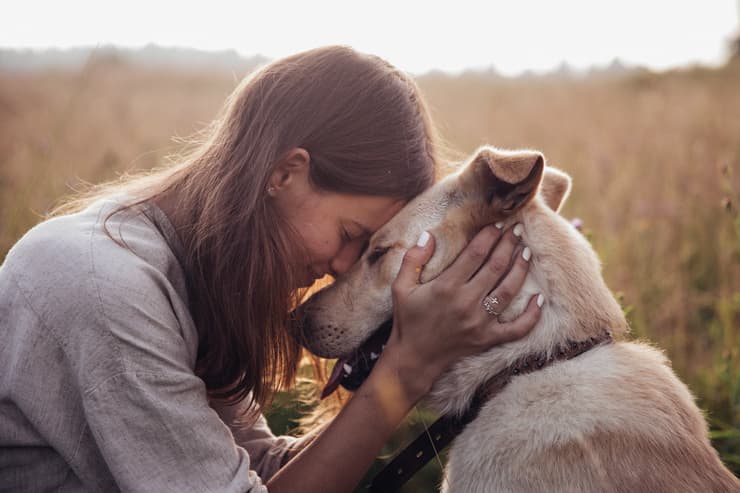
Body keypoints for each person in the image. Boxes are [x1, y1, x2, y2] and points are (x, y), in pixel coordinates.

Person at [0, 46, 542, 492]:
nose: (343, 267)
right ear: (286, 173)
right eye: (352, 236)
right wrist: (408, 367)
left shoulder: (189, 275)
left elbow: (260, 473)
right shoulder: (105, 288)